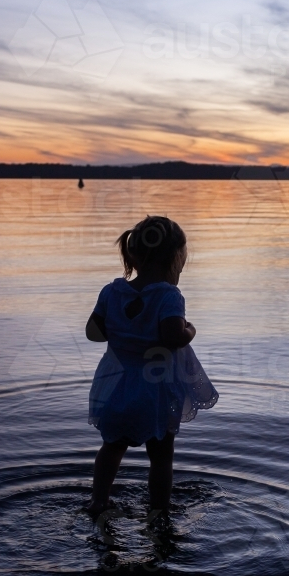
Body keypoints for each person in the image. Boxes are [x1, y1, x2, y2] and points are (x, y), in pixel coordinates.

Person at [85, 215, 218, 516]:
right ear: (173, 259)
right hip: (154, 389)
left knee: (112, 447)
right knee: (161, 456)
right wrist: (191, 330)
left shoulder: (112, 292)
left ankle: (98, 501)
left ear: (134, 255)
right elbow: (173, 337)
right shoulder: (169, 296)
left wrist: (121, 329)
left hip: (115, 387)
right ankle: (159, 511)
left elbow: (93, 333)